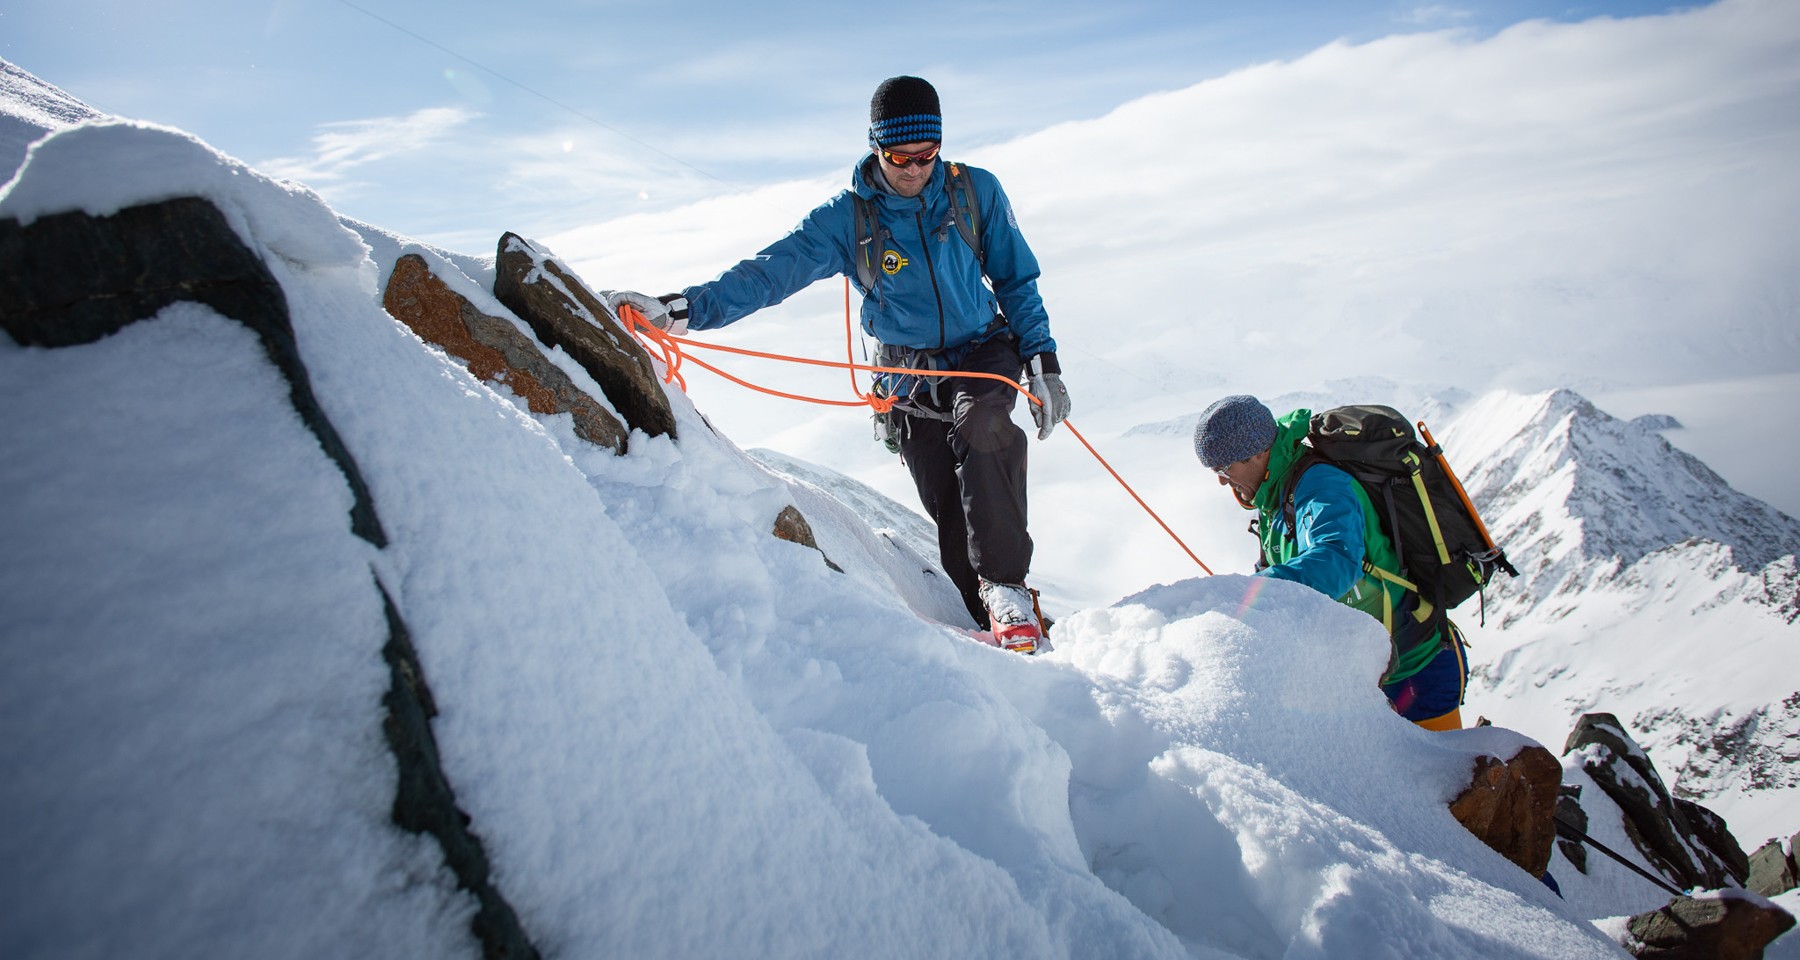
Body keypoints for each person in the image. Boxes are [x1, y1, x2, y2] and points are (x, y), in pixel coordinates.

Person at [604, 76, 1070, 653]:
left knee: (986, 426)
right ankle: (1006, 635)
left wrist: (1043, 362)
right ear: (877, 147)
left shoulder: (974, 193)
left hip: (984, 352)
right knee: (952, 516)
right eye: (902, 157)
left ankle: (1007, 590)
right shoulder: (848, 221)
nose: (916, 169)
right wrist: (682, 310)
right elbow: (771, 271)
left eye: (928, 156)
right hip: (908, 376)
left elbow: (1016, 279)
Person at [1192, 395, 1470, 730]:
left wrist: (1251, 589)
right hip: (1369, 675)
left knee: (1442, 778)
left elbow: (1336, 558)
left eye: (1224, 468)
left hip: (1417, 669)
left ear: (1256, 453)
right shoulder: (1274, 495)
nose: (1222, 481)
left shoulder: (1320, 485)